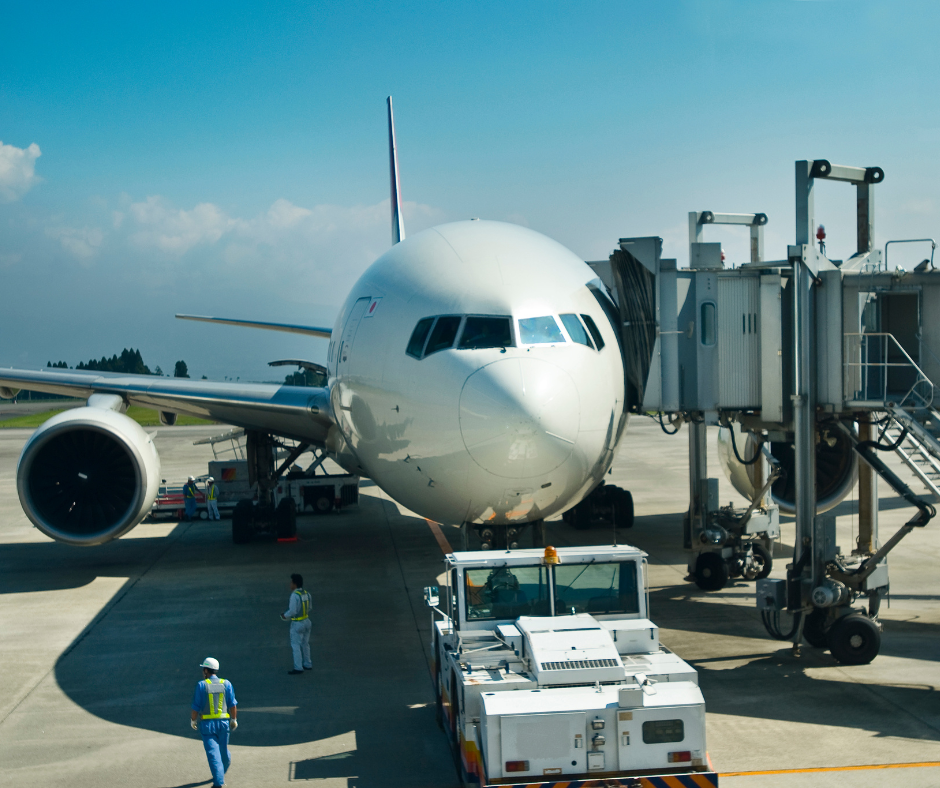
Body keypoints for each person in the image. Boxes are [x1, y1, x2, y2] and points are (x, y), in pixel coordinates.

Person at [190, 657, 237, 788]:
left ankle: (218, 783)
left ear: (206, 670)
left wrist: (193, 720)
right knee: (223, 752)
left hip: (207, 726)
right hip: (224, 724)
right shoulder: (226, 683)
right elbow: (233, 705)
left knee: (213, 755)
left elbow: (195, 707)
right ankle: (222, 770)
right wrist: (233, 719)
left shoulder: (201, 685)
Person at [281, 573, 312, 674]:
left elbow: (293, 611)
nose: (290, 584)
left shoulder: (294, 595)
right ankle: (308, 663)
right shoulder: (307, 594)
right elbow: (310, 607)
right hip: (307, 621)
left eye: (291, 582)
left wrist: (285, 615)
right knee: (305, 644)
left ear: (295, 584)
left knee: (295, 645)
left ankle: (298, 667)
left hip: (297, 623)